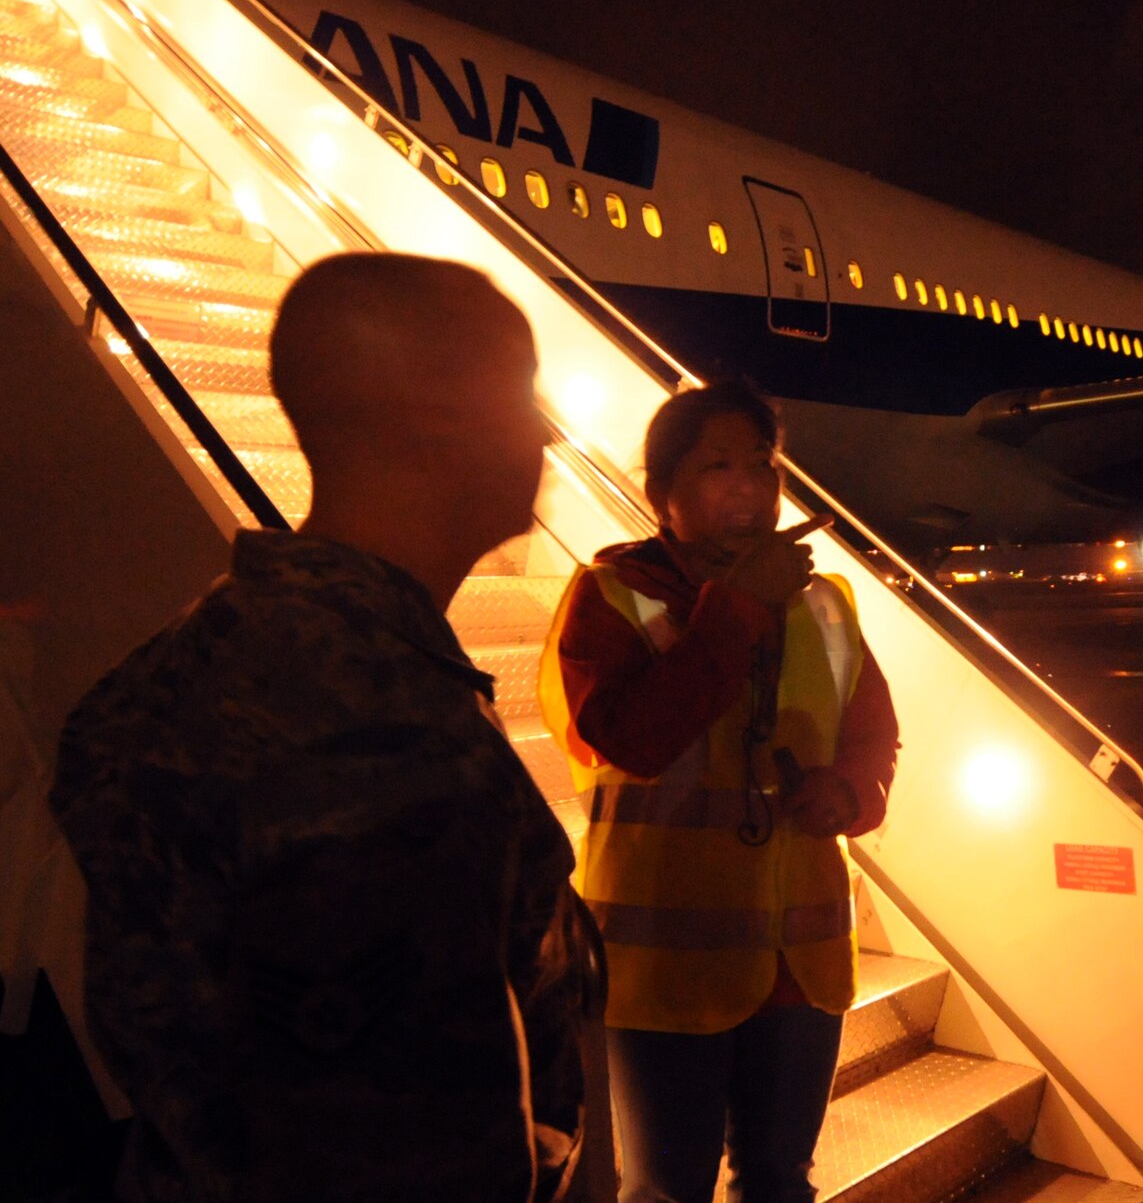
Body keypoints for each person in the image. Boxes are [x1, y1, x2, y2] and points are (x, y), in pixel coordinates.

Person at [49, 252, 601, 1202]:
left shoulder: (187, 663)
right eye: (521, 389)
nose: (549, 429)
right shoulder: (382, 743)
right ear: (436, 423)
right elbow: (419, 1160)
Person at [541, 379, 898, 1203]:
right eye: (716, 466)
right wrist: (736, 605)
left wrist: (850, 793)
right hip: (666, 966)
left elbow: (874, 734)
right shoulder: (607, 599)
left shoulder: (825, 604)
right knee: (668, 1187)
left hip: (799, 966)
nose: (749, 485)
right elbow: (632, 737)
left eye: (763, 466)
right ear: (663, 498)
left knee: (780, 1180)